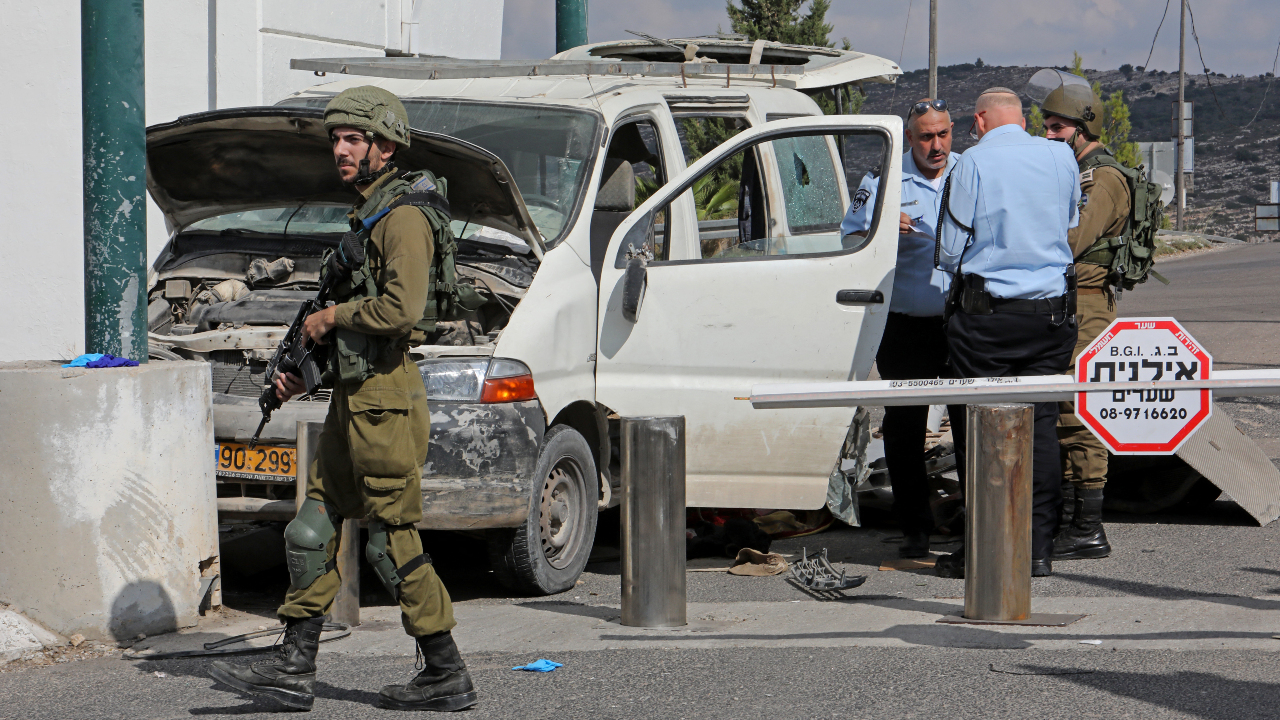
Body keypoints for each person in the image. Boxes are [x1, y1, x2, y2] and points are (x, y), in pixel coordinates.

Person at [208, 86, 478, 713]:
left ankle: (445, 670)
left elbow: (401, 309)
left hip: (385, 401)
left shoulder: (403, 216)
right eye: (336, 139)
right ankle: (293, 669)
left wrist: (329, 317)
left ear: (386, 146)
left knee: (391, 540)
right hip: (353, 399)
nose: (341, 149)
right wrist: (308, 374)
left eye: (353, 139)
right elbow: (360, 328)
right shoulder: (371, 215)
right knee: (309, 530)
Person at [933, 87, 1080, 579]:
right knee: (1040, 427)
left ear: (979, 120)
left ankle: (990, 547)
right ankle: (1038, 548)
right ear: (1022, 118)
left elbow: (951, 249)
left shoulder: (971, 164)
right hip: (1049, 316)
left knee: (983, 432)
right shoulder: (1061, 157)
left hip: (988, 318)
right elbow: (1070, 221)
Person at [841, 98, 959, 559]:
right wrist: (886, 228)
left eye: (944, 134)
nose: (937, 145)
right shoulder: (883, 180)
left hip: (960, 325)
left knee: (970, 424)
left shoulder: (969, 172)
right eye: (927, 136)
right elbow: (850, 238)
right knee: (905, 428)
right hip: (904, 326)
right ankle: (915, 528)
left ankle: (975, 521)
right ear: (910, 139)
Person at [1039, 73, 1128, 561]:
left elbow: (1073, 239)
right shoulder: (1073, 170)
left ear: (1082, 127)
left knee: (1079, 413)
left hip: (1088, 302)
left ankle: (1089, 527)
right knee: (1061, 410)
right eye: (1047, 127)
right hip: (1068, 300)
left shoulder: (1103, 177)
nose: (1049, 136)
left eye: (1057, 128)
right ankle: (1071, 519)